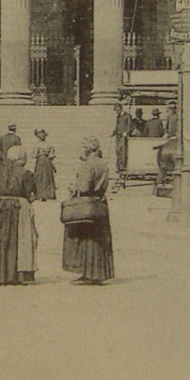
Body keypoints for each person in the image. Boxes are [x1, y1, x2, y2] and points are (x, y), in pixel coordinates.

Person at [0, 145, 38, 285]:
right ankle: (18, 275)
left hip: (0, 206)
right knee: (21, 239)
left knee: (1, 239)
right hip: (18, 207)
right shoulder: (26, 173)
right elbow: (29, 193)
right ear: (21, 158)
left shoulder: (0, 172)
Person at [62, 137, 114, 284]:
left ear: (87, 148)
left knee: (87, 239)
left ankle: (88, 274)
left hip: (87, 204)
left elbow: (84, 187)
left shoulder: (88, 164)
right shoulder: (103, 163)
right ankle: (99, 273)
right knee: (100, 239)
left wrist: (73, 188)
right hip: (100, 203)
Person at [32, 129, 58, 201]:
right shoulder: (49, 144)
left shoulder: (37, 145)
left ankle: (40, 194)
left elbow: (33, 155)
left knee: (40, 176)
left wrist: (39, 154)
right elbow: (52, 155)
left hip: (40, 161)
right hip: (47, 161)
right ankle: (49, 194)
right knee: (47, 176)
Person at [112, 102, 133, 173]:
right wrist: (114, 132)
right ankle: (118, 166)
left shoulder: (127, 116)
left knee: (123, 151)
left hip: (123, 137)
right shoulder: (118, 117)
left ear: (120, 108)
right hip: (118, 136)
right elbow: (117, 126)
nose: (116, 112)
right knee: (118, 151)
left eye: (117, 110)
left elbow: (130, 126)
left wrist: (127, 132)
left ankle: (123, 166)